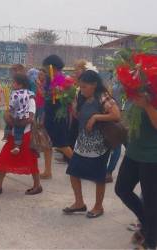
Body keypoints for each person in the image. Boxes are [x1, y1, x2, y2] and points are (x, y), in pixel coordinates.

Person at [64, 70, 120, 218]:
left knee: (98, 176)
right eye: (80, 87)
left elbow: (116, 114)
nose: (81, 90)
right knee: (73, 171)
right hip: (82, 142)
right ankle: (79, 202)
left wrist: (95, 117)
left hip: (99, 144)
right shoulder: (80, 96)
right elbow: (77, 114)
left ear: (94, 85)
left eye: (84, 87)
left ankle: (98, 206)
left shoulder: (102, 96)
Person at [0, 80, 42, 195]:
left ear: (21, 85)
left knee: (30, 160)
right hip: (14, 132)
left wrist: (16, 121)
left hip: (26, 133)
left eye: (15, 83)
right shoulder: (14, 97)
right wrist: (9, 117)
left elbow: (30, 118)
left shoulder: (30, 98)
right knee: (4, 157)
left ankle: (37, 185)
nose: (12, 85)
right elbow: (8, 112)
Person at [115, 94, 157, 249]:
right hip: (134, 151)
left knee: (151, 200)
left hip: (152, 156)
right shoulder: (140, 89)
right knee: (122, 189)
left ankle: (150, 242)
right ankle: (149, 226)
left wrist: (147, 105)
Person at [41, 55, 73, 179]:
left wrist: (59, 93)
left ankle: (82, 167)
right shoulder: (49, 79)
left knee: (62, 144)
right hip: (49, 114)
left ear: (52, 66)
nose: (45, 70)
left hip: (58, 116)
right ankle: (47, 171)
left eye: (46, 68)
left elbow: (68, 99)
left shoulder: (62, 79)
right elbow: (47, 96)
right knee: (46, 144)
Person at [4, 74, 34, 154]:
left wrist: (8, 110)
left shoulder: (15, 94)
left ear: (20, 84)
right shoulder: (29, 93)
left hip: (18, 117)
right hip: (25, 116)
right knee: (18, 130)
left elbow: (11, 105)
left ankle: (17, 146)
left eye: (13, 82)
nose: (12, 84)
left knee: (17, 130)